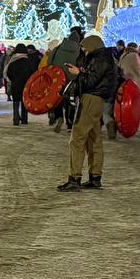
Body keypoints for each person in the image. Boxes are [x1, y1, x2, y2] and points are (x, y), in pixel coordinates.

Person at [59, 34, 117, 191]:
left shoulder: (100, 59)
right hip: (96, 99)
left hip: (91, 98)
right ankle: (95, 177)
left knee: (77, 138)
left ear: (92, 46)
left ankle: (74, 178)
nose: (83, 50)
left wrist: (79, 72)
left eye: (84, 48)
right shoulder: (103, 57)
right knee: (94, 138)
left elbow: (91, 81)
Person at [47, 28, 83, 132]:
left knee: (57, 99)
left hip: (57, 78)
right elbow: (80, 65)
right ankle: (70, 123)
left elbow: (49, 62)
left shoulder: (58, 48)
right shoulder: (79, 51)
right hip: (72, 80)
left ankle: (59, 117)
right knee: (70, 102)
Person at [3, 43, 34, 125]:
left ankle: (16, 119)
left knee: (16, 103)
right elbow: (33, 73)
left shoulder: (13, 61)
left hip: (15, 85)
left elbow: (8, 73)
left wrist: (13, 80)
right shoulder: (28, 62)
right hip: (26, 85)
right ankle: (24, 119)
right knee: (24, 103)